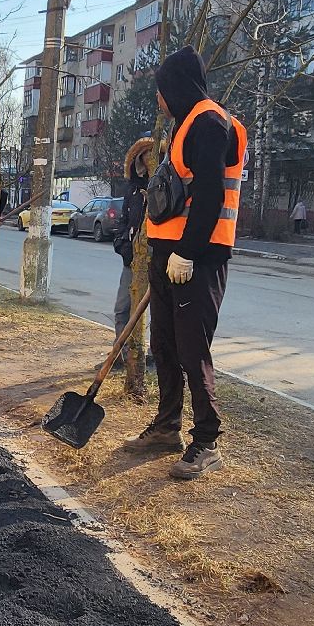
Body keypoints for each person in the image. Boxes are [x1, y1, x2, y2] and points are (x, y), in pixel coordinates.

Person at [128, 46, 245, 480]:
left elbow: (211, 195)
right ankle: (166, 426)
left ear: (175, 87)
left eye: (161, 90)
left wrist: (188, 252)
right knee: (166, 345)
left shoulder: (210, 122)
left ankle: (207, 440)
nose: (158, 99)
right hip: (169, 253)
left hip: (197, 256)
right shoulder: (185, 123)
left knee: (193, 350)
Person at [111, 135, 156, 368]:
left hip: (156, 258)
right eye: (144, 156)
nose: (148, 159)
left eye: (152, 154)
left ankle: (152, 358)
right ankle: (120, 356)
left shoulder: (165, 186)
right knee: (122, 308)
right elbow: (124, 221)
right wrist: (122, 245)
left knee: (155, 313)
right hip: (132, 259)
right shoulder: (133, 190)